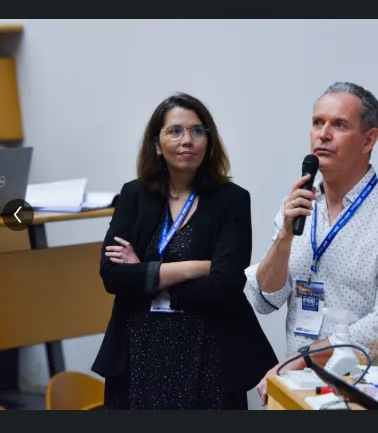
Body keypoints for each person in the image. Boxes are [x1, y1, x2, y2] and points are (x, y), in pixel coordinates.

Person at [245, 82, 378, 405]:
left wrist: (303, 357)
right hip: (299, 390)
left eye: (339, 125)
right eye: (318, 122)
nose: (323, 135)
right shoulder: (297, 206)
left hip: (364, 393)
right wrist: (284, 236)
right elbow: (265, 299)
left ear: (369, 139)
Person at [92, 92, 278, 410]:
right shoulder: (134, 195)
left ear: (209, 141)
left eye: (197, 131)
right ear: (156, 144)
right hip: (139, 351)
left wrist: (146, 272)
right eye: (175, 131)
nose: (187, 140)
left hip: (208, 350)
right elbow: (112, 275)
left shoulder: (232, 200)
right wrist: (197, 267)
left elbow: (226, 284)